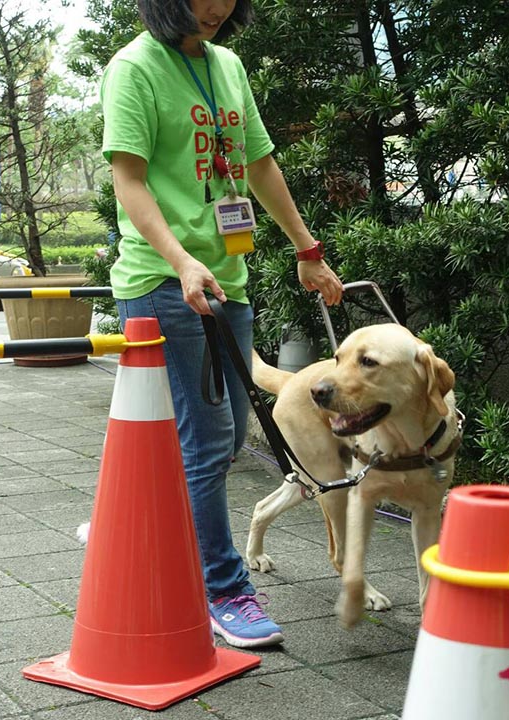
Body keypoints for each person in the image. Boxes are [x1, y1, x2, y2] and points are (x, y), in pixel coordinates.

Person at [101, 0, 344, 648]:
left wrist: (306, 249)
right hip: (164, 286)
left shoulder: (228, 66)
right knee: (209, 445)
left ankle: (136, 532)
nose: (216, 6)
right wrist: (179, 260)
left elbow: (258, 164)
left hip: (227, 280)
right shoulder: (134, 69)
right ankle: (223, 589)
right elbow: (129, 181)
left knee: (225, 439)